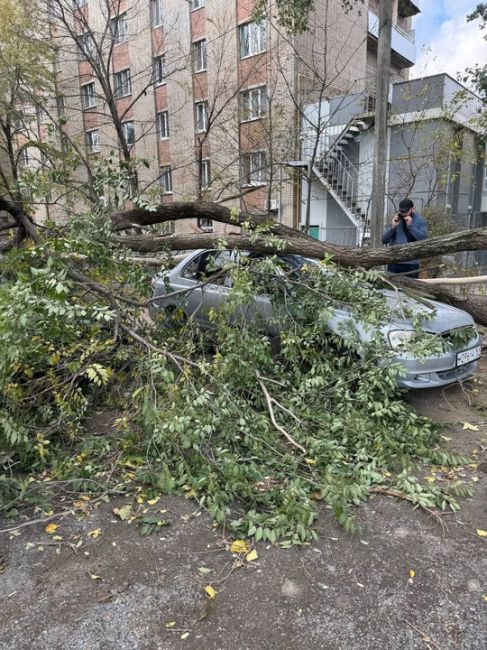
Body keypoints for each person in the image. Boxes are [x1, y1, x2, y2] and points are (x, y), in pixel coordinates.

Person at [382, 198, 428, 278]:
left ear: (412, 209)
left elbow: (423, 239)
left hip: (412, 263)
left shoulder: (419, 220)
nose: (404, 214)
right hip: (395, 262)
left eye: (406, 211)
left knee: (411, 288)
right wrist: (393, 227)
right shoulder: (396, 219)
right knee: (391, 288)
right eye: (402, 211)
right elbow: (384, 240)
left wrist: (410, 226)